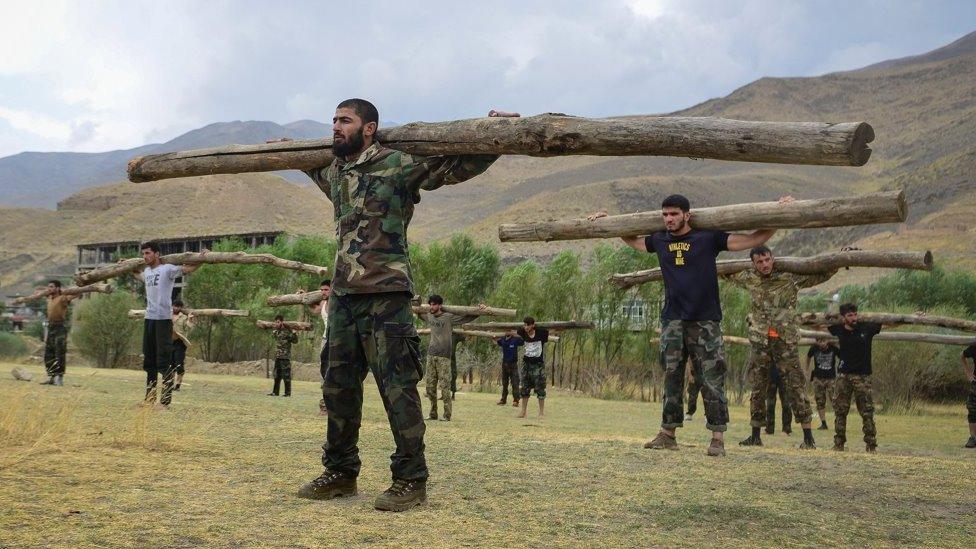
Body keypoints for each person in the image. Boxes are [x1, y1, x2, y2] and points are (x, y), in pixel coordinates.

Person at [295, 99, 506, 511]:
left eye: (345, 121)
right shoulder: (335, 171)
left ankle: (410, 479)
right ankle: (340, 472)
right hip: (342, 296)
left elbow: (453, 168)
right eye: (333, 120)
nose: (335, 127)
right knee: (337, 388)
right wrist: (280, 150)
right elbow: (302, 161)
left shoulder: (398, 164)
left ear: (369, 128)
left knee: (398, 390)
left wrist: (492, 135)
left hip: (387, 295)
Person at [591, 194, 786, 456]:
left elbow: (752, 239)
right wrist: (610, 221)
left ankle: (717, 437)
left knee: (711, 375)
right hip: (672, 319)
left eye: (674, 214)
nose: (668, 219)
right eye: (665, 215)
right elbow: (633, 241)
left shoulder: (707, 238)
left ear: (687, 215)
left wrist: (780, 215)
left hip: (705, 319)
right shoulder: (659, 239)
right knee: (671, 374)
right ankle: (668, 433)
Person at [725, 245, 834, 450]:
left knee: (795, 385)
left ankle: (808, 437)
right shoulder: (749, 278)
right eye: (759, 261)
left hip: (785, 340)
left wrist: (839, 262)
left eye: (767, 260)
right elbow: (724, 274)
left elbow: (820, 274)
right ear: (753, 263)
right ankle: (755, 435)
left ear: (773, 259)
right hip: (760, 340)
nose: (764, 265)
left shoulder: (789, 277)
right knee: (758, 386)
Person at [128, 242, 204, 407]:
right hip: (149, 319)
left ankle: (165, 403)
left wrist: (202, 258)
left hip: (163, 321)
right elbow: (136, 273)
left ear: (156, 254)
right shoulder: (147, 272)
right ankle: (149, 400)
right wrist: (125, 265)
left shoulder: (167, 269)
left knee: (163, 362)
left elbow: (188, 269)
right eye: (143, 254)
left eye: (148, 253)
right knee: (149, 362)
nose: (145, 256)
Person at [824, 302, 882, 452]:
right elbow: (820, 326)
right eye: (850, 315)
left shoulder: (866, 328)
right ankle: (839, 443)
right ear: (843, 318)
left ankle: (871, 445)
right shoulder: (839, 329)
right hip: (844, 375)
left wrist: (915, 317)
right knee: (840, 410)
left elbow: (888, 323)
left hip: (862, 376)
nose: (854, 317)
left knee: (867, 411)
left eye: (855, 314)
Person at [418, 296, 485, 421]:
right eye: (430, 304)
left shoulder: (449, 317)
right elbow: (419, 313)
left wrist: (479, 311)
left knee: (445, 387)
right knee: (430, 387)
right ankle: (433, 414)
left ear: (440, 305)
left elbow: (465, 318)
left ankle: (447, 415)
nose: (431, 307)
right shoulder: (429, 316)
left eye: (434, 304)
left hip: (444, 356)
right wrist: (417, 304)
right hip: (431, 354)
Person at [23, 280, 78, 386]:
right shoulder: (49, 298)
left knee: (59, 353)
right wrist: (41, 290)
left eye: (52, 287)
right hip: (50, 327)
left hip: (60, 327)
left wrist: (75, 289)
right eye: (48, 287)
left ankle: (60, 378)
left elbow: (77, 293)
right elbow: (38, 291)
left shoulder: (63, 298)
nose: (49, 288)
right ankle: (51, 377)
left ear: (57, 288)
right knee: (49, 354)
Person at [305, 279, 332, 414]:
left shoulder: (338, 304)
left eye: (326, 289)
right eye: (321, 290)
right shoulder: (323, 303)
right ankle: (324, 406)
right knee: (324, 371)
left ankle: (335, 406)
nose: (323, 292)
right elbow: (314, 310)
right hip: (325, 340)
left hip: (337, 341)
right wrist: (306, 298)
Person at [516, 317, 549, 419]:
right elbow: (512, 332)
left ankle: (541, 413)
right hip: (526, 363)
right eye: (524, 325)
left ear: (533, 325)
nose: (525, 327)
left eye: (527, 325)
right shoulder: (522, 332)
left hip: (538, 364)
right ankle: (523, 412)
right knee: (525, 388)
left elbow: (555, 330)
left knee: (540, 388)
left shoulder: (541, 333)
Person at [806, 337, 840, 430]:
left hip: (831, 379)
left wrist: (841, 370)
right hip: (818, 378)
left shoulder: (833, 348)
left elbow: (842, 356)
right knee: (820, 401)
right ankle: (823, 423)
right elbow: (808, 357)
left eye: (823, 341)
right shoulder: (814, 348)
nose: (822, 343)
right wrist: (807, 369)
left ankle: (839, 421)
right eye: (819, 341)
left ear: (827, 340)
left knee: (835, 400)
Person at [268, 314, 299, 397]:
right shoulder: (277, 331)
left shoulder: (287, 331)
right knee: (276, 375)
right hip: (278, 357)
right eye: (276, 322)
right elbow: (277, 340)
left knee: (286, 376)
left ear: (282, 322)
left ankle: (287, 393)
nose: (276, 323)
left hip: (285, 357)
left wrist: (294, 333)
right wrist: (274, 333)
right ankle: (275, 392)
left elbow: (295, 341)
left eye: (278, 322)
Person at [494, 329, 523, 407]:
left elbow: (523, 341)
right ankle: (503, 400)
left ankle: (516, 400)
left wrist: (516, 334)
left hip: (513, 364)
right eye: (506, 330)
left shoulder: (515, 339)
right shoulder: (503, 339)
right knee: (504, 383)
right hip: (505, 364)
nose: (507, 332)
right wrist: (492, 334)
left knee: (515, 383)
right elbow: (496, 340)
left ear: (512, 331)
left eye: (509, 330)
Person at [764, 359, 793, 436]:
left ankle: (786, 429)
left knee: (786, 404)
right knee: (770, 404)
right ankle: (769, 429)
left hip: (784, 374)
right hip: (771, 373)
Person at [171, 300, 194, 391]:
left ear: (181, 308)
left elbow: (189, 327)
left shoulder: (184, 317)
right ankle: (170, 384)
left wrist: (190, 319)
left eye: (178, 306)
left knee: (179, 365)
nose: (176, 308)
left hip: (180, 342)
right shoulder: (167, 315)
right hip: (169, 342)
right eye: (175, 306)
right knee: (170, 365)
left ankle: (177, 385)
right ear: (172, 306)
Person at [959, 344, 976, 448]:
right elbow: (962, 355)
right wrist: (968, 372)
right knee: (972, 408)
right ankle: (973, 438)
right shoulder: (974, 347)